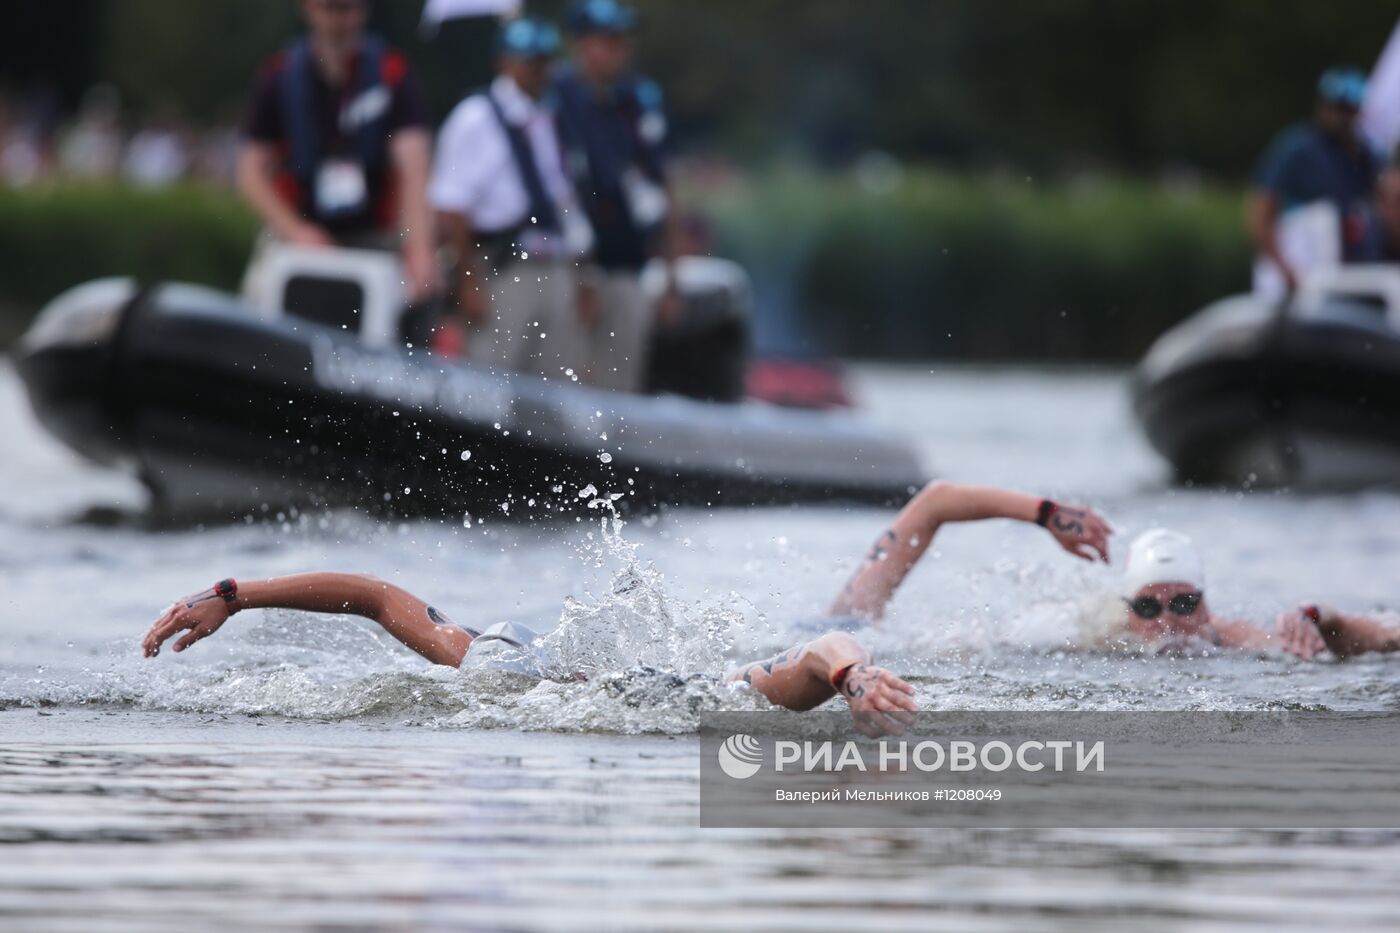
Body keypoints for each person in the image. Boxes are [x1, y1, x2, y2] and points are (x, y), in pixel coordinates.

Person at [237, 0, 437, 301]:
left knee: (408, 302)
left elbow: (414, 169)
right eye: (330, 7)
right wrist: (296, 231)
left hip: (374, 238)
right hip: (296, 234)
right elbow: (250, 172)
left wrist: (419, 250)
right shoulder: (278, 76)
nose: (341, 19)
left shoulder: (392, 74)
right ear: (308, 9)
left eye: (349, 7)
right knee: (258, 295)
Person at [430, 18, 594, 379]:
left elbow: (562, 197)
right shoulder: (476, 117)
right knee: (495, 377)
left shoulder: (551, 116)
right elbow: (454, 206)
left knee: (556, 384)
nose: (540, 71)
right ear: (505, 62)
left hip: (554, 263)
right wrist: (468, 280)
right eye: (531, 62)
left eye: (546, 62)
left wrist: (582, 275)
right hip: (505, 268)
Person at [550, 0, 683, 391]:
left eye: (623, 40)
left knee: (619, 388)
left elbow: (665, 186)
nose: (621, 49)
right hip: (567, 268)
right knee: (563, 383)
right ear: (581, 44)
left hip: (629, 264)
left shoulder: (639, 101)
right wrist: (581, 273)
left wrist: (673, 278)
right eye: (609, 40)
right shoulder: (554, 97)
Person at [1249, 67, 1381, 297]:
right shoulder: (1297, 149)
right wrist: (1284, 269)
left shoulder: (1365, 155)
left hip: (1348, 273)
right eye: (1332, 106)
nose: (1337, 115)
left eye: (1345, 109)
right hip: (1301, 266)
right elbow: (1260, 212)